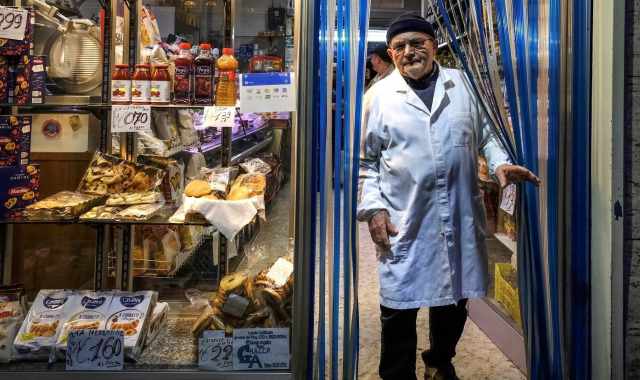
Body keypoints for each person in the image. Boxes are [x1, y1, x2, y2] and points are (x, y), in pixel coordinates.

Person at [357, 13, 540, 380]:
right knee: (398, 308)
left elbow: (487, 134)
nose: (409, 52)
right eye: (400, 47)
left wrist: (501, 162)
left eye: (417, 43)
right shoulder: (377, 97)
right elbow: (365, 163)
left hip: (457, 213)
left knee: (455, 301)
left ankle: (439, 361)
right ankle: (397, 374)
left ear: (433, 46)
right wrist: (374, 209)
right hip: (404, 218)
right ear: (391, 54)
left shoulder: (464, 85)